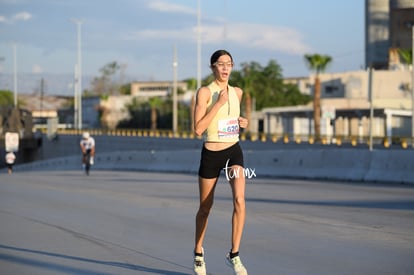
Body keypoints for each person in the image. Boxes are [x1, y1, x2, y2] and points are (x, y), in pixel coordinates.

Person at [193, 49, 249, 275]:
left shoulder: (238, 91)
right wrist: (217, 103)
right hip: (211, 154)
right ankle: (198, 252)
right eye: (221, 63)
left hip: (233, 152)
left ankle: (234, 255)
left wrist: (241, 122)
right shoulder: (205, 92)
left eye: (229, 63)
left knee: (239, 200)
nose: (225, 67)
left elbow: (231, 120)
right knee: (206, 207)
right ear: (213, 67)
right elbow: (198, 129)